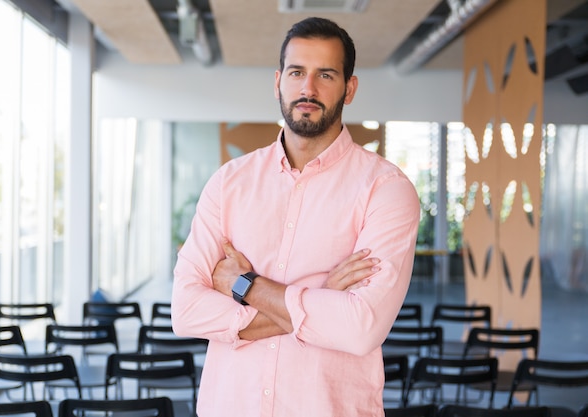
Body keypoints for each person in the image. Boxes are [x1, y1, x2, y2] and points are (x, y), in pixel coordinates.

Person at [171, 16, 420, 417]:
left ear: (349, 88)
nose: (308, 88)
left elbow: (359, 329)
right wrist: (323, 292)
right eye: (297, 72)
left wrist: (244, 285)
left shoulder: (386, 189)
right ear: (278, 82)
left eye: (326, 74)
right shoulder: (229, 183)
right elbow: (185, 311)